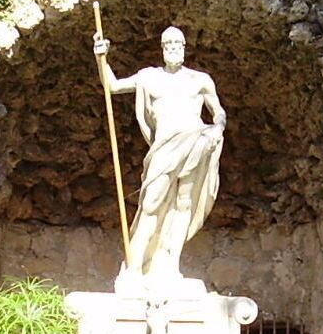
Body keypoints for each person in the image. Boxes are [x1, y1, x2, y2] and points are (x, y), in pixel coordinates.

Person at [93, 26, 225, 290]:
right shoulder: (149, 77)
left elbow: (218, 112)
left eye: (178, 43)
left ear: (185, 47)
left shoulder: (200, 80)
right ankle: (134, 268)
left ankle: (171, 267)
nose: (173, 47)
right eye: (168, 43)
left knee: (183, 205)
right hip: (164, 148)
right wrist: (101, 58)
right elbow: (113, 86)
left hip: (195, 143)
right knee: (151, 204)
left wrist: (216, 130)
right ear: (162, 48)